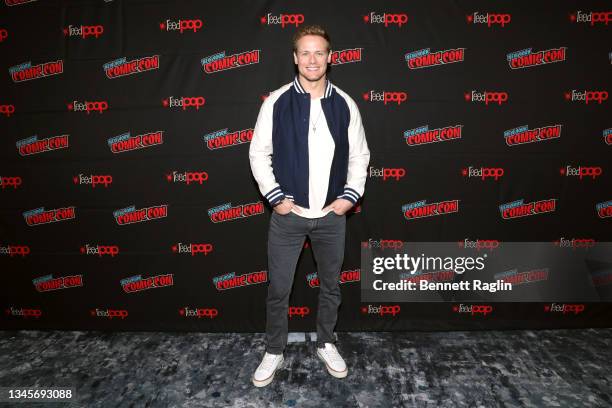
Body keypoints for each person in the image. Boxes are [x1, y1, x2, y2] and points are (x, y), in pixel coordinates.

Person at [248, 24, 370, 387]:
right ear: (295, 58)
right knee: (279, 288)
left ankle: (327, 342)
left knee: (331, 286)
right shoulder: (277, 102)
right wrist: (276, 199)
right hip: (289, 216)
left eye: (319, 52)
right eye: (305, 52)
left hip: (332, 217)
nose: (312, 59)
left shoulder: (345, 103)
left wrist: (349, 198)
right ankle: (274, 349)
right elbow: (258, 153)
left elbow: (360, 156)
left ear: (330, 58)